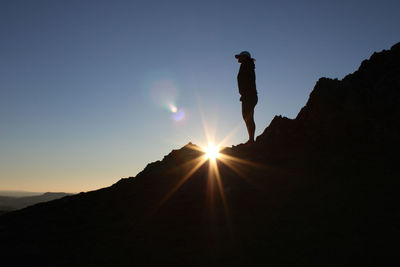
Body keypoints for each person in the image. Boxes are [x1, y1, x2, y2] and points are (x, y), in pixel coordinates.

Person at [235, 51, 258, 145]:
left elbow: (247, 81)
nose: (238, 59)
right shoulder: (247, 65)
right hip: (248, 96)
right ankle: (251, 139)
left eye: (240, 57)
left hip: (249, 96)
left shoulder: (246, 65)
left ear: (244, 57)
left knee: (248, 117)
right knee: (247, 117)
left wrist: (246, 94)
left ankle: (251, 140)